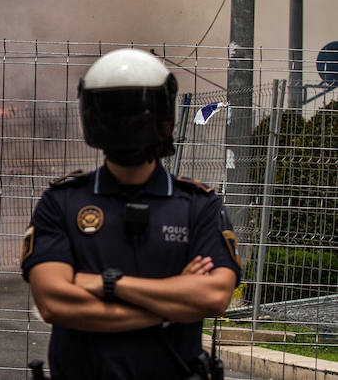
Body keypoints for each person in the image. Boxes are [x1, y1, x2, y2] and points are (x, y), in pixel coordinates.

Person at [20, 49, 241, 380]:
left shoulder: (197, 205)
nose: (125, 123)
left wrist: (107, 283)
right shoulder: (62, 202)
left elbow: (214, 295)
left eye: (134, 112)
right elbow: (54, 302)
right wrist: (170, 306)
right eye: (114, 111)